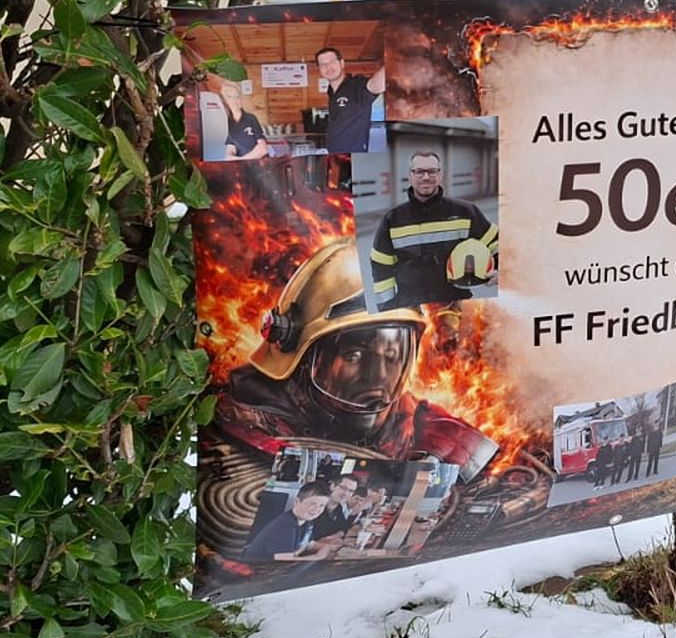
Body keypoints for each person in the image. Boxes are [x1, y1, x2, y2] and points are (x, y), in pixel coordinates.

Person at [202, 243, 500, 547]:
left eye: (392, 356)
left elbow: (467, 453)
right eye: (354, 356)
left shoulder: (415, 422)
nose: (377, 378)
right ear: (299, 356)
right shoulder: (241, 426)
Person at [370, 150, 498, 309]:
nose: (426, 177)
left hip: (456, 305)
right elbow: (381, 267)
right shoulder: (392, 220)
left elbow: (496, 244)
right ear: (410, 176)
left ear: (440, 175)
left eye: (432, 171)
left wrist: (500, 271)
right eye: (419, 171)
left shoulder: (465, 213)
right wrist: (387, 309)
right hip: (412, 308)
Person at [318, 46, 385, 155]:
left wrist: (396, 61)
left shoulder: (357, 85)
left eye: (332, 62)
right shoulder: (331, 91)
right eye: (323, 64)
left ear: (342, 63)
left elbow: (376, 85)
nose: (328, 67)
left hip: (354, 158)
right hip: (335, 156)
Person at [214, 79, 270, 161]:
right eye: (230, 97)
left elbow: (263, 149)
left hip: (259, 164)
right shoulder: (227, 124)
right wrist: (242, 160)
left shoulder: (251, 118)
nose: (235, 100)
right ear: (225, 101)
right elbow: (229, 155)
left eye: (237, 96)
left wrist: (242, 160)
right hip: (242, 166)